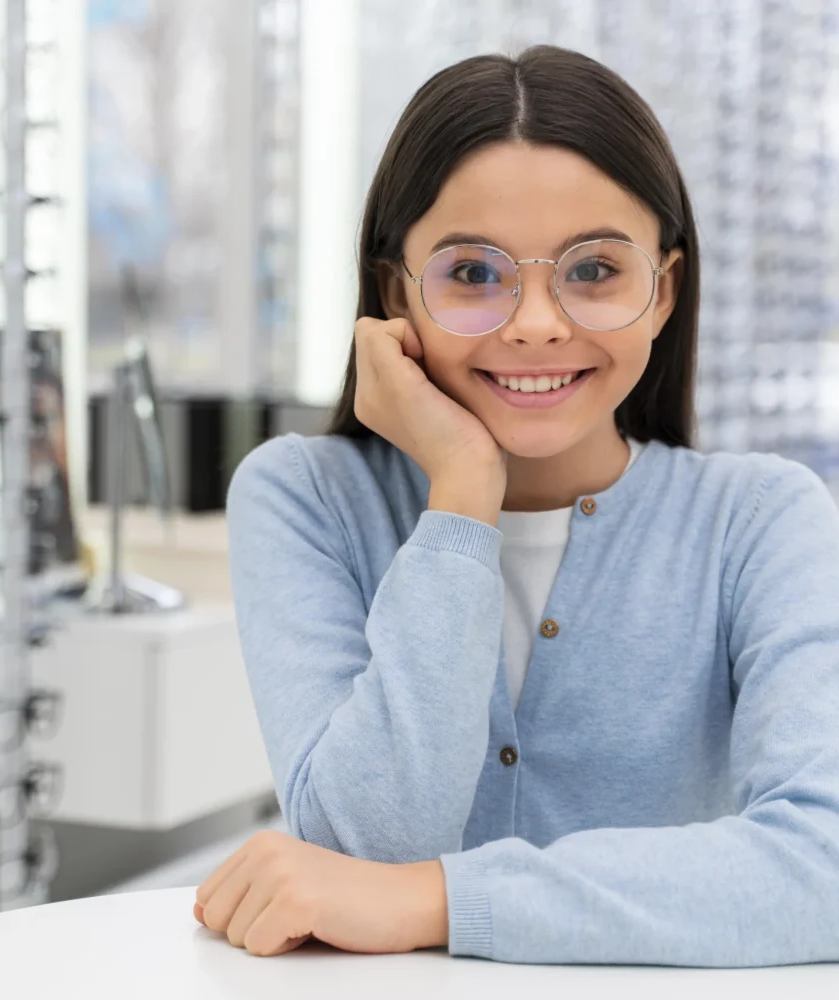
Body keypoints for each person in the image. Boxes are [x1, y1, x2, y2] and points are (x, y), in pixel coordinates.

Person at [194, 46, 839, 965]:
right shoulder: (302, 497)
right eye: (471, 274)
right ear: (394, 294)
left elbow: (822, 867)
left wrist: (436, 903)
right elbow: (365, 844)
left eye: (593, 272)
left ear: (665, 292)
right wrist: (462, 492)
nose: (536, 322)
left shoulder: (762, 520)